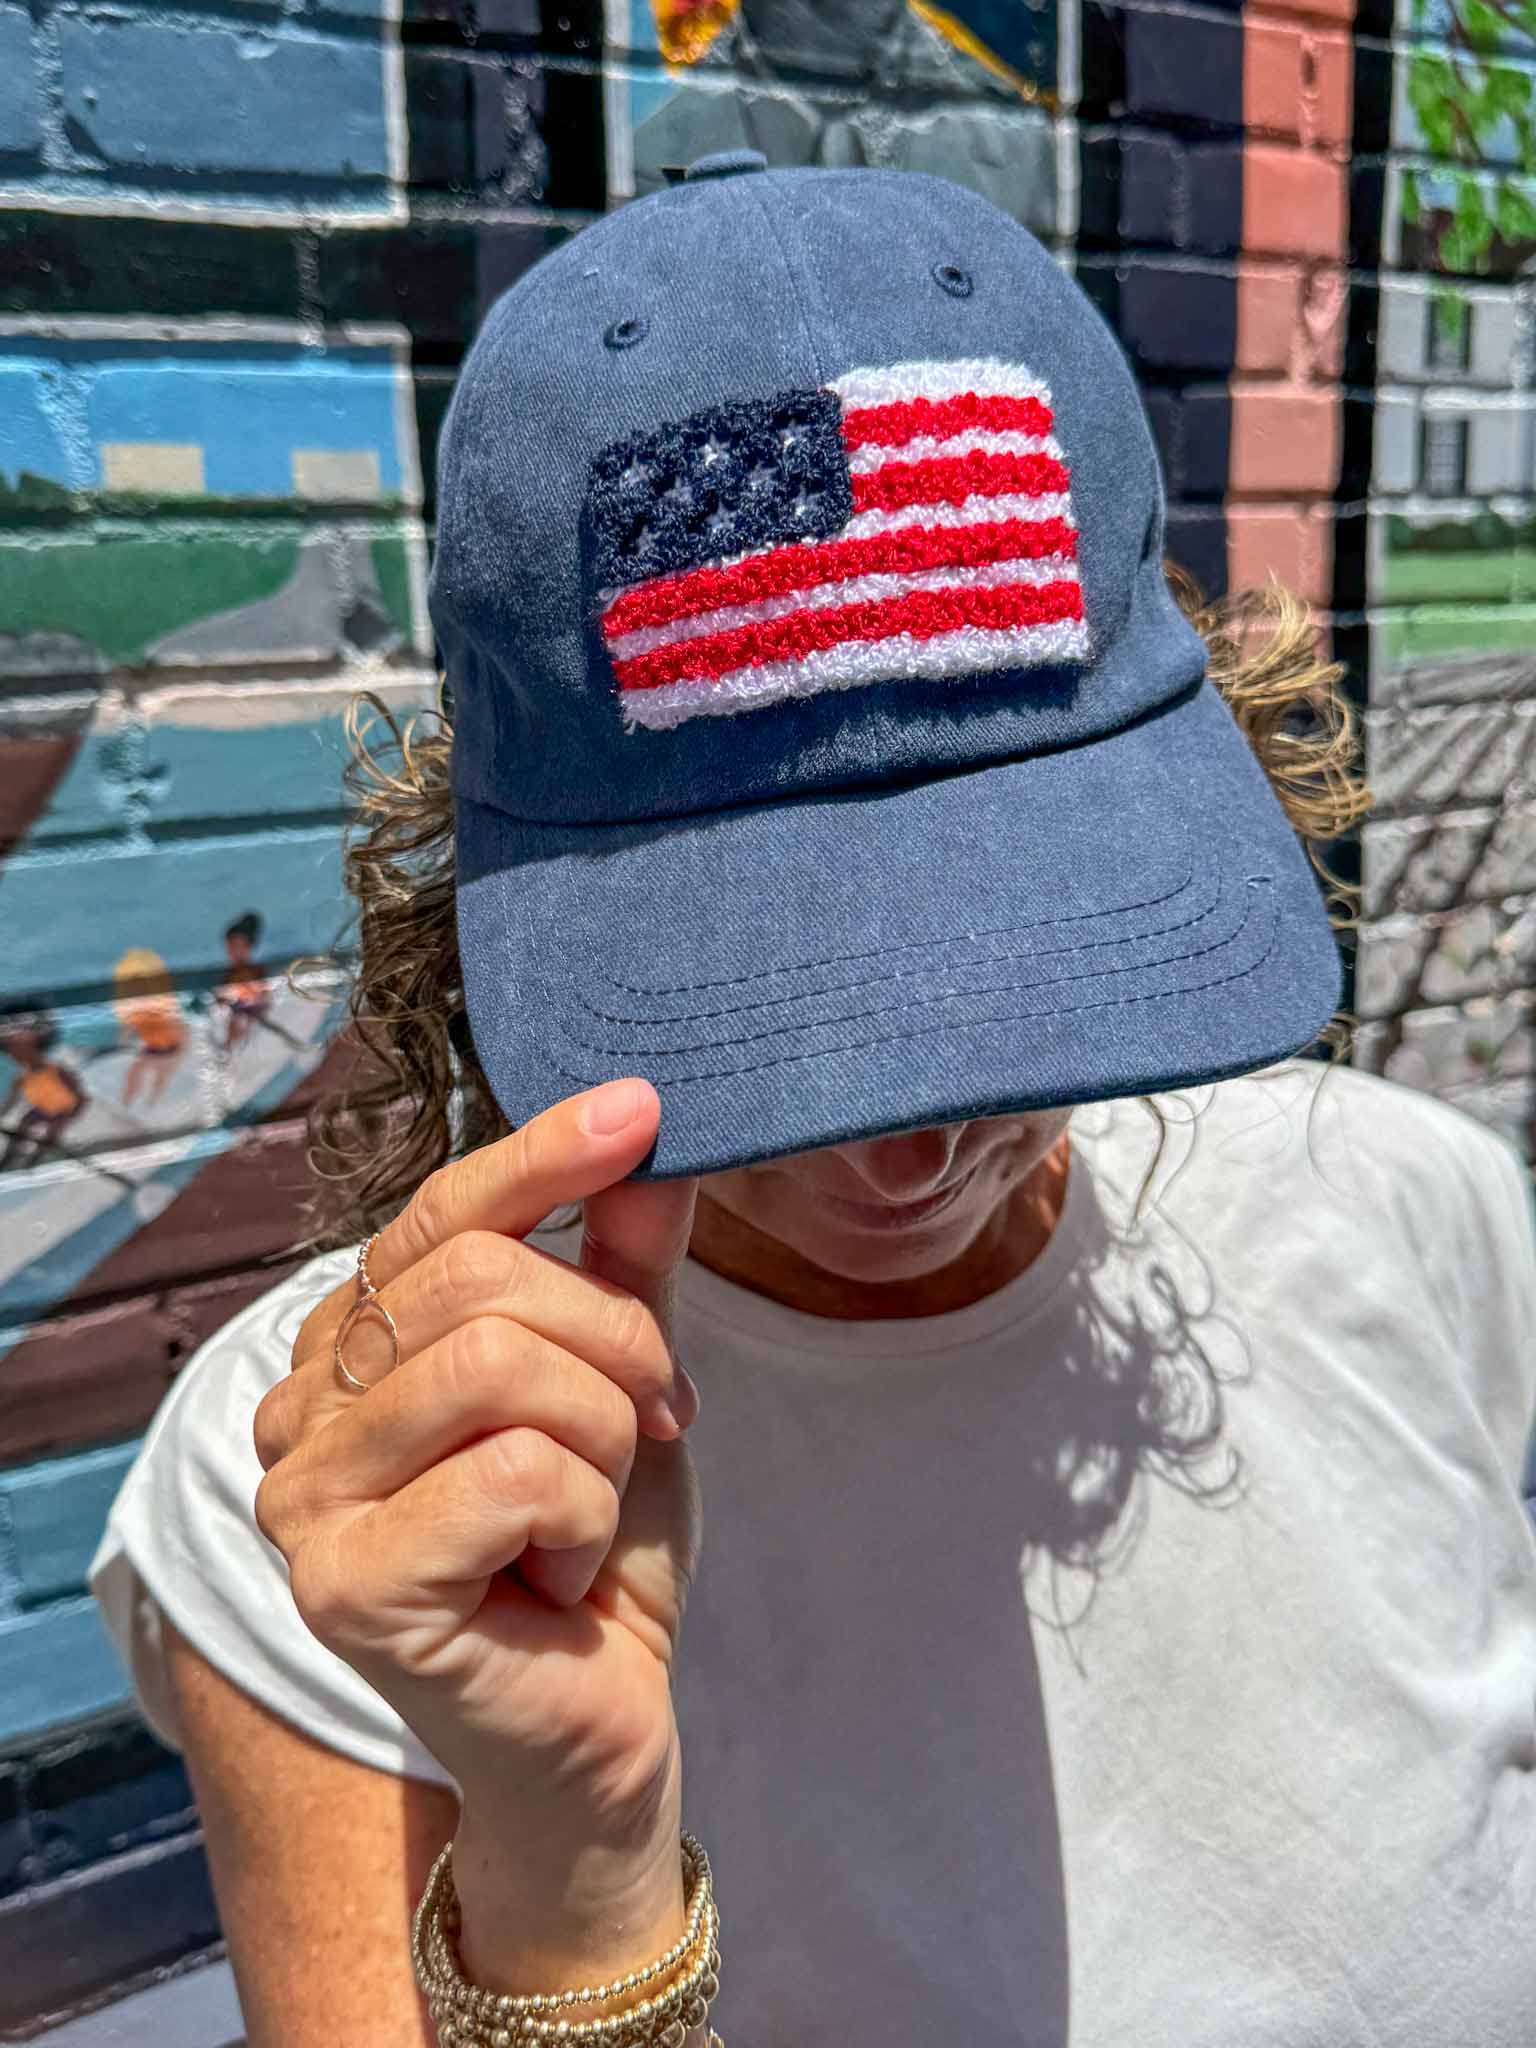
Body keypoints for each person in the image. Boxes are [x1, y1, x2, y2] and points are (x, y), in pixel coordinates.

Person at [90, 158, 1536, 2048]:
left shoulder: (1407, 1216)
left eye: (1025, 954)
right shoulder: (341, 1497)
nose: (909, 1148)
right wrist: (574, 1879)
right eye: (759, 1007)